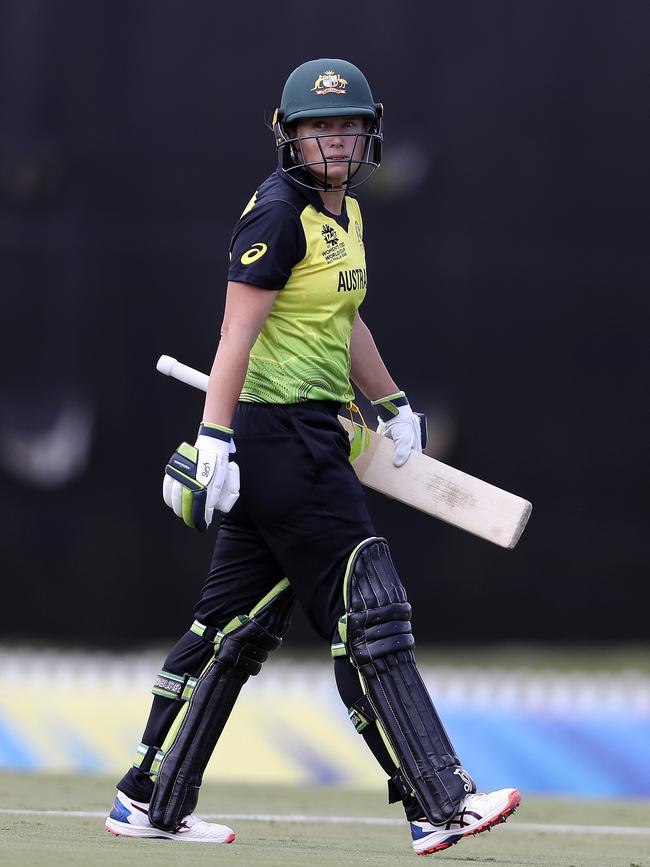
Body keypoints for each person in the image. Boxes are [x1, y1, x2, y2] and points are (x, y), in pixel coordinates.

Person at [105, 58, 520, 856]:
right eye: (318, 127)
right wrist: (214, 439)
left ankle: (149, 796)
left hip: (314, 435)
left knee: (230, 628)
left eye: (348, 126)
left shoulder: (346, 216)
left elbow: (346, 319)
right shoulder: (276, 215)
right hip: (282, 441)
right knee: (372, 607)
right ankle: (440, 800)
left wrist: (390, 400)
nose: (335, 140)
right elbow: (237, 334)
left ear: (370, 135)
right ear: (289, 136)